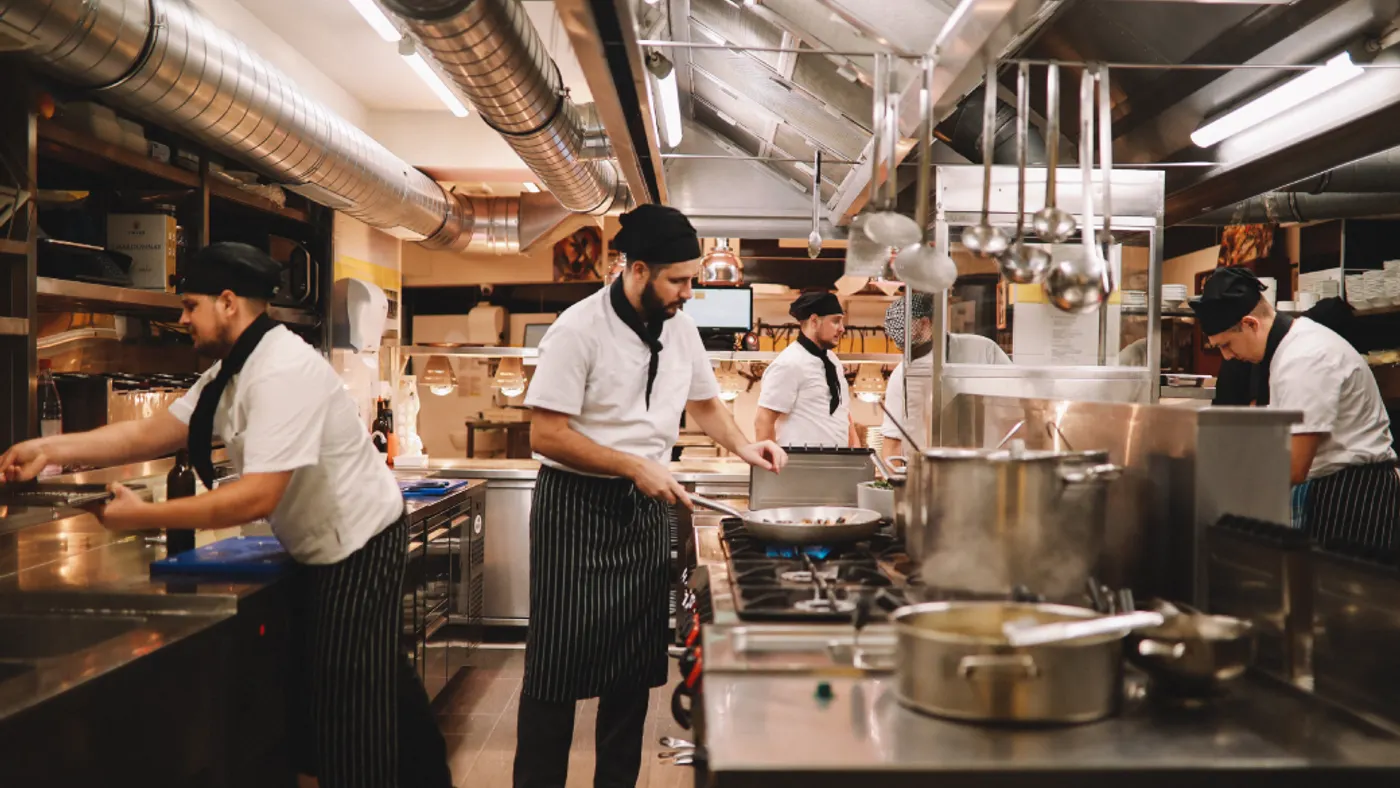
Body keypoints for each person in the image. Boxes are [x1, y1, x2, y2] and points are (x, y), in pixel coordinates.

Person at [0, 242, 449, 788]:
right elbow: (153, 431)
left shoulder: (280, 370)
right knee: (376, 683)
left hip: (356, 543)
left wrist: (144, 515)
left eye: (191, 305)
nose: (183, 318)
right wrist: (50, 450)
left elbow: (258, 497)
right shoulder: (235, 369)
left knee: (347, 700)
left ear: (229, 302)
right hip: (326, 543)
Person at [514, 204, 786, 788]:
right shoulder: (577, 329)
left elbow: (706, 404)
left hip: (643, 509)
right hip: (575, 507)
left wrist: (746, 447)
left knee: (631, 675)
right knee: (554, 673)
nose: (690, 292)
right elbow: (547, 433)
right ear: (636, 270)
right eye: (679, 280)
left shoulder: (680, 326)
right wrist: (633, 465)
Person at [1190, 267, 1399, 548]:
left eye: (1226, 344)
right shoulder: (1290, 346)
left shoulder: (1305, 357)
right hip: (1334, 488)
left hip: (1352, 498)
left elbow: (1293, 466)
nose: (1227, 356)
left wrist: (1223, 493)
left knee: (1340, 588)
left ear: (1251, 324)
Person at [880, 293, 1011, 458]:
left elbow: (1015, 407)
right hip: (927, 472)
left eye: (902, 329)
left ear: (925, 323)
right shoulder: (901, 375)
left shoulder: (983, 350)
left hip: (989, 464)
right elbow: (892, 445)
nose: (896, 338)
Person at [755, 291, 858, 448]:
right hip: (800, 465)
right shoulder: (789, 363)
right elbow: (763, 420)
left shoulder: (833, 361)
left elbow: (843, 412)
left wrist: (855, 453)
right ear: (814, 321)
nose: (842, 329)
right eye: (836, 321)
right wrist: (770, 466)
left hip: (836, 464)